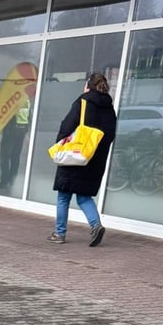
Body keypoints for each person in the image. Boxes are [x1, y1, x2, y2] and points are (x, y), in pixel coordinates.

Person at [48, 72, 118, 246]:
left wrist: (60, 143)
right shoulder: (110, 109)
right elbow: (109, 135)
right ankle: (96, 225)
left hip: (76, 154)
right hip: (95, 158)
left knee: (64, 196)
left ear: (88, 85)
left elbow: (68, 124)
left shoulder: (83, 102)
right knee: (84, 196)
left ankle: (59, 233)